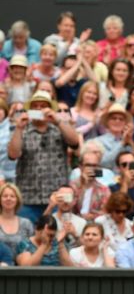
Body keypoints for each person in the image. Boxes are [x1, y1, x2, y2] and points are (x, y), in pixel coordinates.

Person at [9, 90, 79, 222]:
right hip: (27, 198)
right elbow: (13, 154)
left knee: (56, 236)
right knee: (27, 237)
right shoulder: (21, 129)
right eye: (35, 106)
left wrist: (58, 120)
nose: (39, 109)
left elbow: (75, 142)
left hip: (56, 197)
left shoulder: (60, 127)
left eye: (43, 106)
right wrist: (18, 128)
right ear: (30, 109)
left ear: (50, 109)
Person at [70, 151, 111, 221]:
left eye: (94, 165)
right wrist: (85, 185)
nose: (92, 168)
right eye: (88, 165)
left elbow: (106, 213)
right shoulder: (71, 187)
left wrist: (92, 216)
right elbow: (69, 210)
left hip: (96, 226)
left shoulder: (104, 189)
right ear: (80, 167)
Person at [0, 183, 34, 262]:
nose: (8, 199)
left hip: (23, 269)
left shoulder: (26, 223)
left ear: (17, 200)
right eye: (5, 196)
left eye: (12, 196)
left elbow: (32, 248)